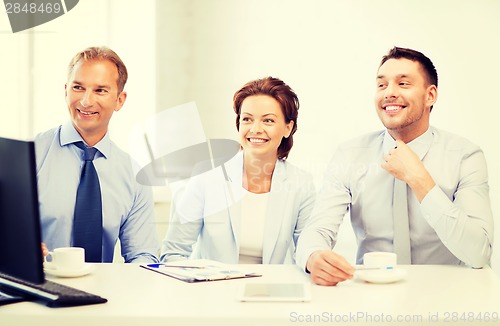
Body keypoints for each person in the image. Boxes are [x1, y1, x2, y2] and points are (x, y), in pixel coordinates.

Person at [296, 46, 494, 286]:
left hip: (447, 295)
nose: (389, 93)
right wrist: (313, 256)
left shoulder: (465, 156)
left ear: (430, 95)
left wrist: (419, 179)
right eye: (381, 85)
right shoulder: (350, 155)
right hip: (372, 296)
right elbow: (317, 229)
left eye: (403, 84)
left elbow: (478, 253)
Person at [161, 77, 315, 264]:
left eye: (268, 120)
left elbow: (309, 249)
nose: (255, 129)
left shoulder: (301, 184)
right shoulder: (206, 176)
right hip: (211, 287)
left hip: (271, 289)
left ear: (287, 128)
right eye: (247, 119)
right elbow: (173, 252)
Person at [35, 46, 159, 263]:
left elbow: (142, 255)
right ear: (66, 90)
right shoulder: (29, 156)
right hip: (36, 292)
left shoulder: (134, 176)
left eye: (100, 90)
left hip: (105, 295)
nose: (85, 101)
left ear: (120, 100)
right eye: (78, 88)